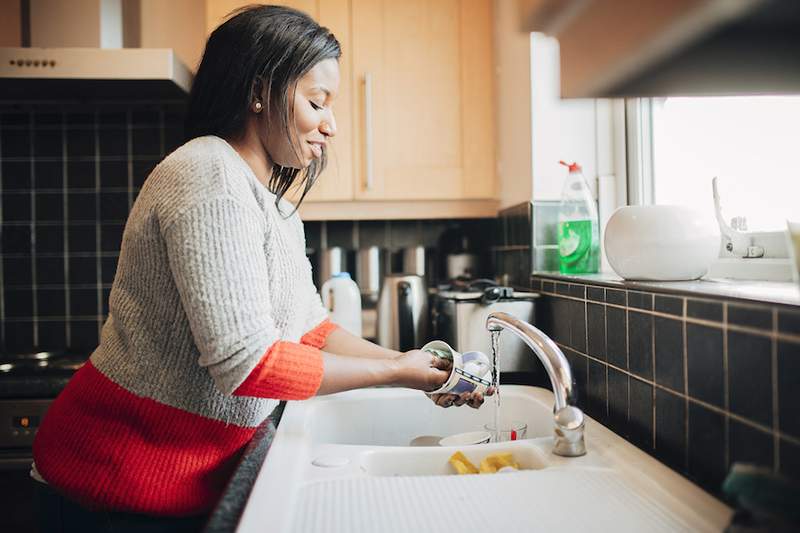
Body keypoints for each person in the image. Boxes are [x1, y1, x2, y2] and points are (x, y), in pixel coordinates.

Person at [31, 5, 491, 532]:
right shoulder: (206, 173)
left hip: (183, 479)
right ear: (259, 91)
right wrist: (394, 372)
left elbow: (310, 331)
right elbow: (248, 364)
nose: (332, 125)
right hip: (111, 479)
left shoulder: (273, 205)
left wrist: (408, 363)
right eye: (317, 102)